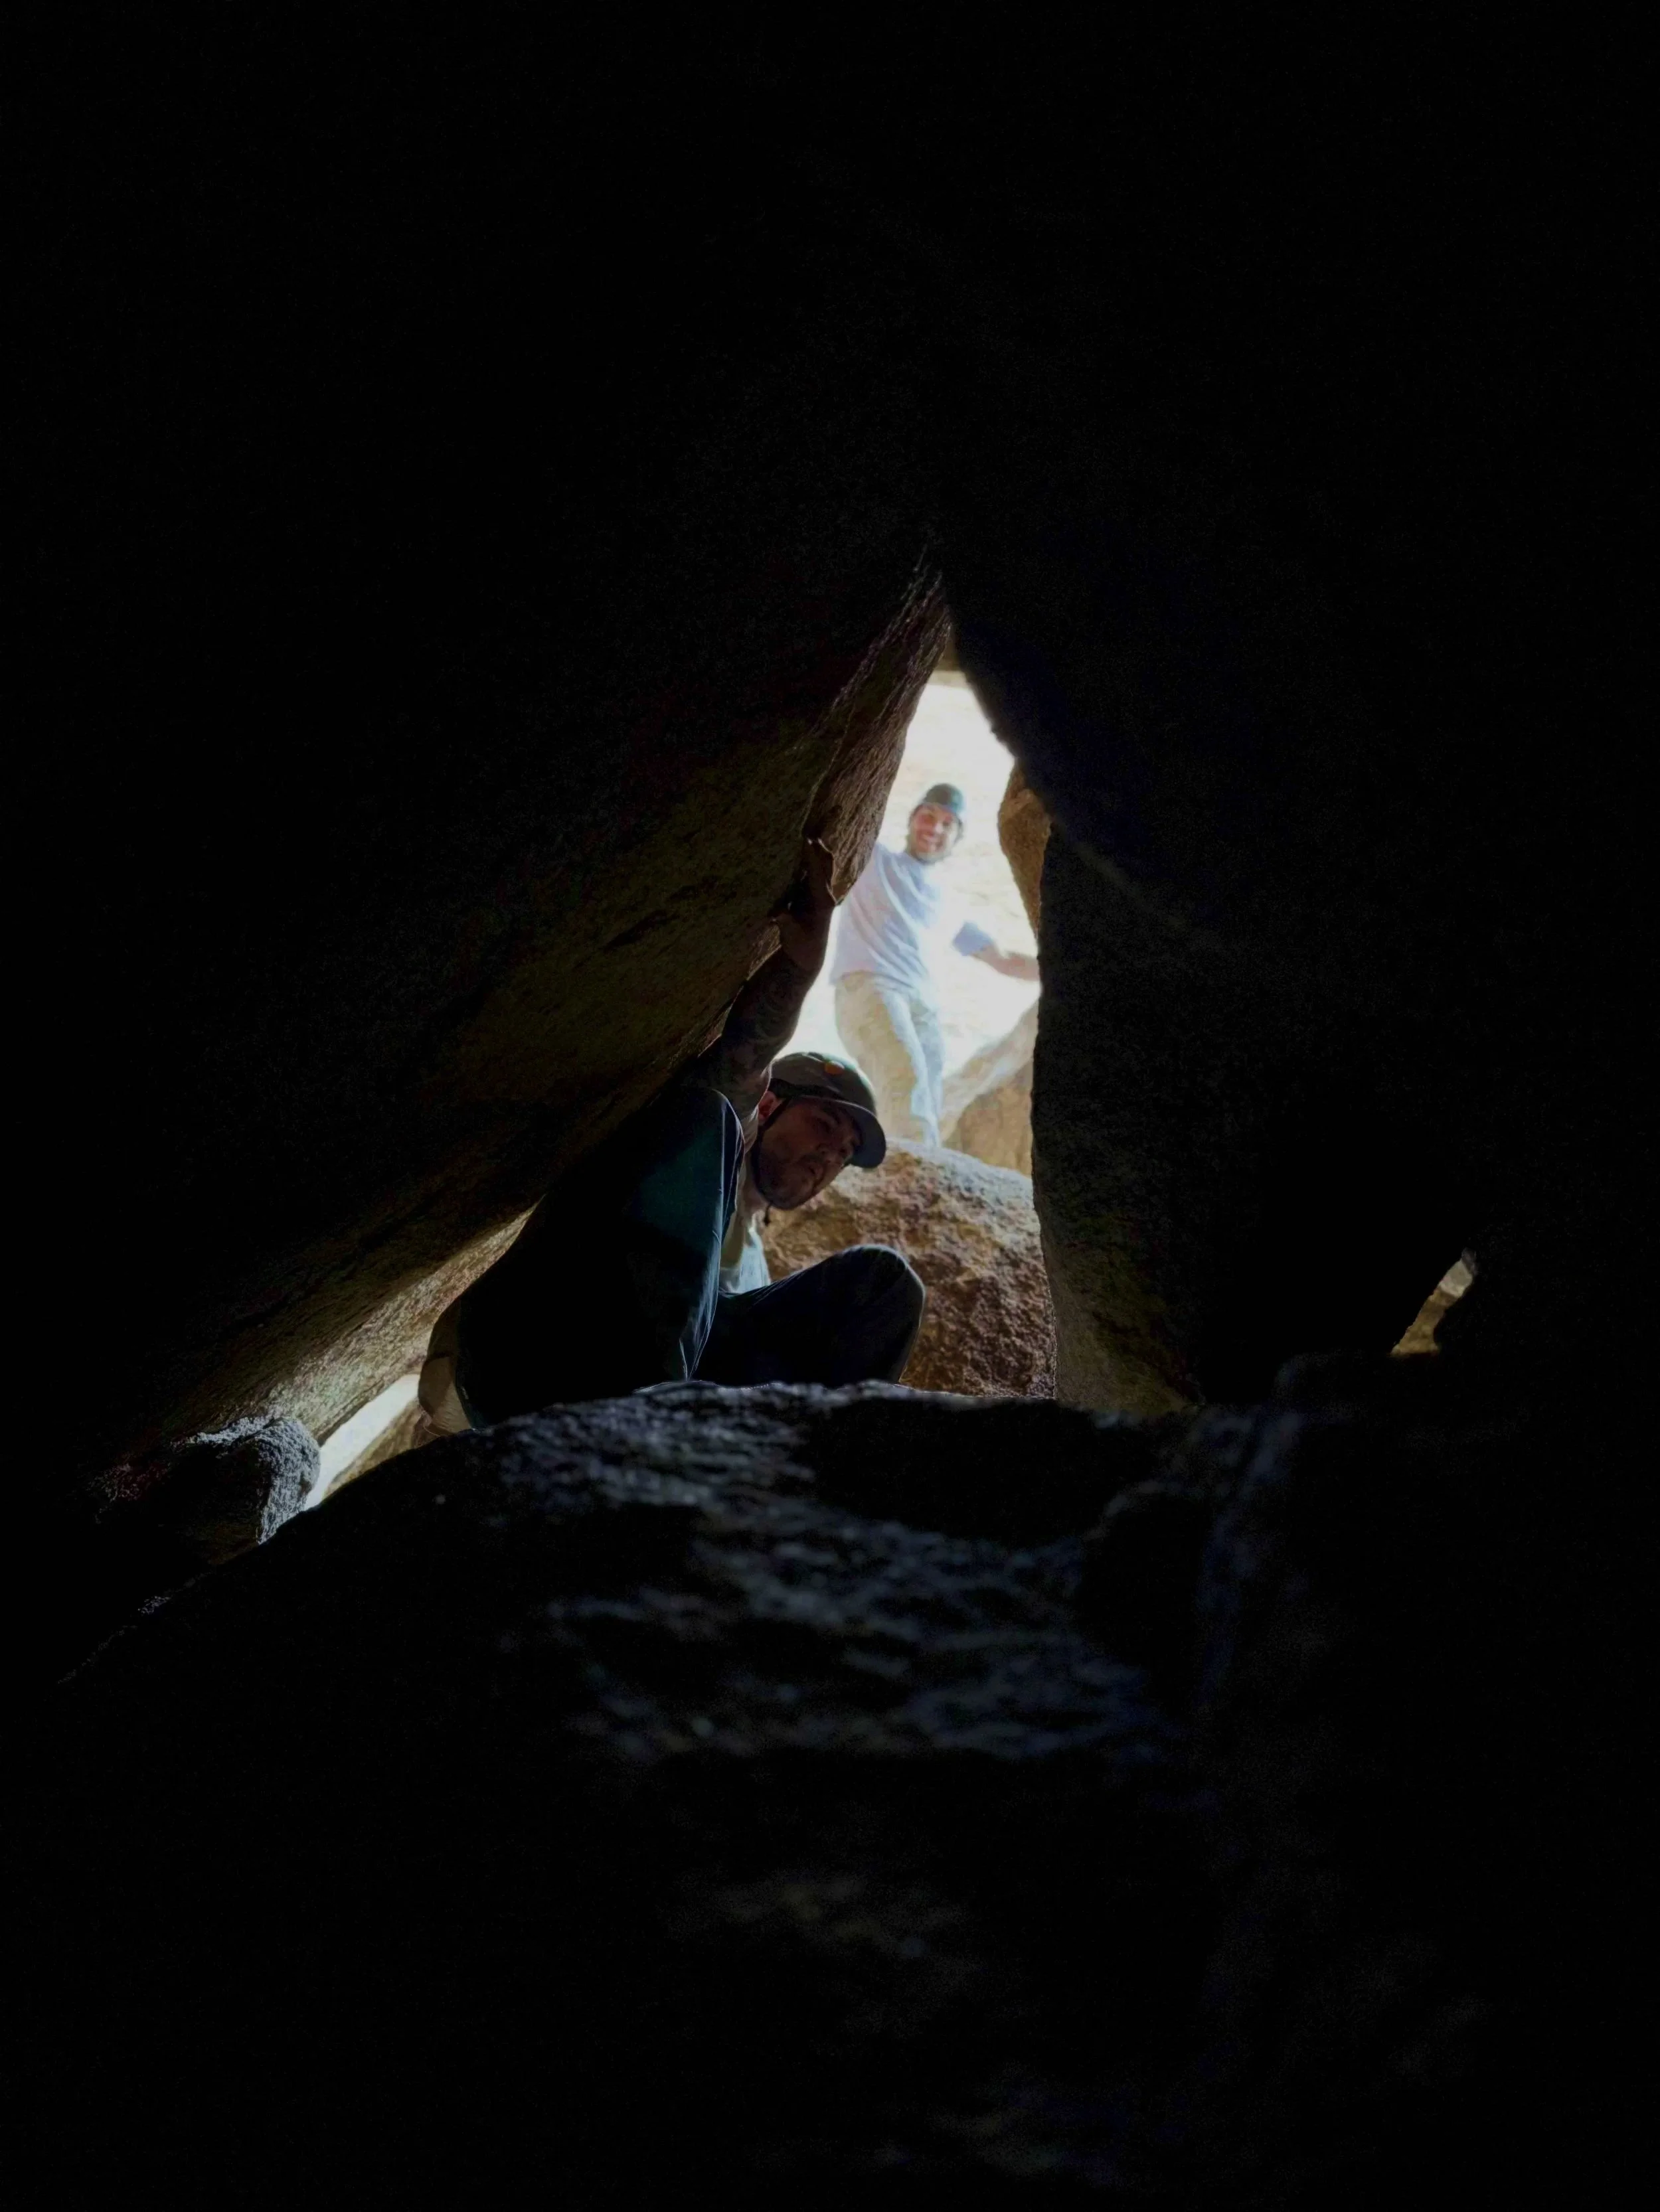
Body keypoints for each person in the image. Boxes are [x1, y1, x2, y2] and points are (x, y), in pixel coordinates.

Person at [418, 837, 924, 1429]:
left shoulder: (751, 1270)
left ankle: (762, 1465)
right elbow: (738, 1073)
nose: (828, 1157)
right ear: (771, 1104)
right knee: (706, 1116)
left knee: (884, 1285)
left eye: (843, 1153)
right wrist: (800, 968)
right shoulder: (690, 1152)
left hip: (659, 1402)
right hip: (536, 1354)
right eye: (823, 1126)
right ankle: (643, 1435)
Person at [831, 781, 1039, 1148]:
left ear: (957, 838)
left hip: (922, 1004)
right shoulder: (874, 861)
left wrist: (1068, 970)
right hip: (871, 987)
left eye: (947, 824)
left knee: (927, 1095)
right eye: (928, 816)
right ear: (912, 820)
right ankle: (910, 1171)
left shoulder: (948, 904)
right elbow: (839, 829)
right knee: (905, 1079)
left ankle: (916, 1163)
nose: (935, 828)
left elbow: (1004, 960)